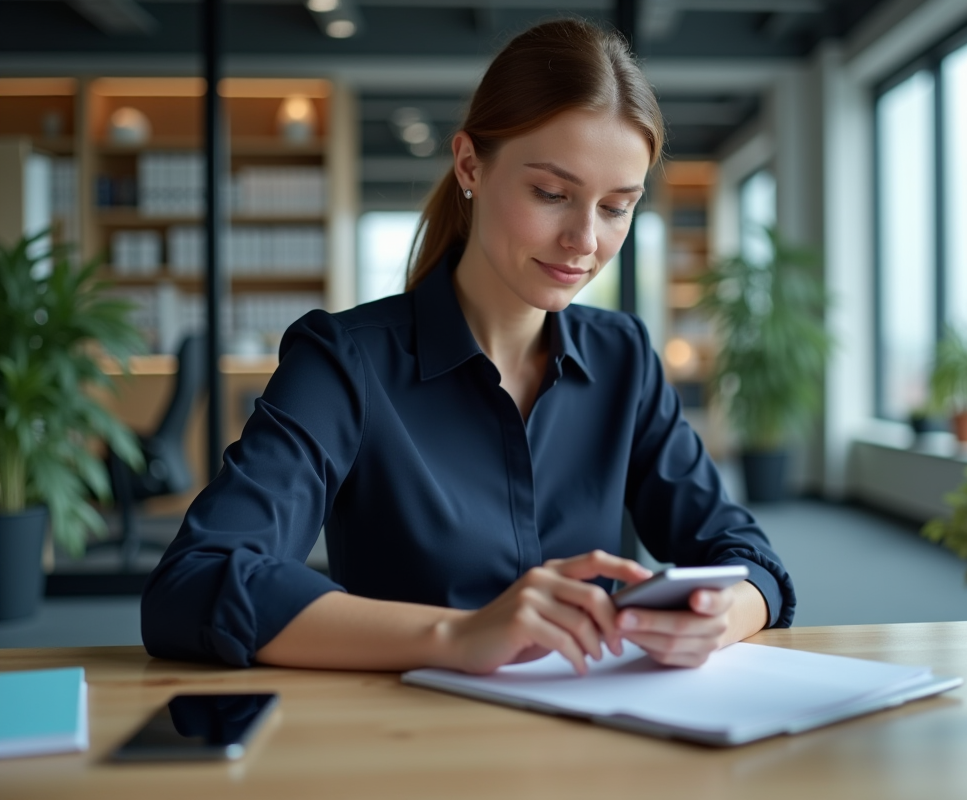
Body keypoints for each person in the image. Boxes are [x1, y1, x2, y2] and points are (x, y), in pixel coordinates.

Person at [142, 18, 796, 676]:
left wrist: (722, 614)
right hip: (411, 743)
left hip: (590, 741)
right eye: (551, 194)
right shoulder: (344, 360)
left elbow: (748, 559)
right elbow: (195, 583)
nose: (584, 240)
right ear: (469, 165)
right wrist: (460, 636)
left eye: (616, 207)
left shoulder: (621, 356)